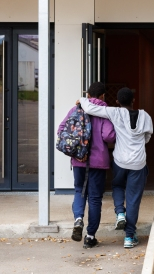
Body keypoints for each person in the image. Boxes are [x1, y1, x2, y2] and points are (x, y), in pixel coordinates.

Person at [79, 87, 153, 249]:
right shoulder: (145, 116)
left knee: (118, 185)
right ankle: (129, 237)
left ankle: (120, 212)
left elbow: (91, 108)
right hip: (138, 163)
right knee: (133, 199)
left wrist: (83, 99)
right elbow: (147, 137)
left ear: (118, 102)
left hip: (120, 161)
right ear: (134, 100)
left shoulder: (115, 112)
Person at [58, 82, 116, 249]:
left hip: (79, 160)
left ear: (88, 95)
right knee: (95, 198)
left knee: (79, 190)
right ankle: (90, 237)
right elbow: (108, 136)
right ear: (103, 96)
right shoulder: (105, 112)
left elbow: (61, 129)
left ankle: (78, 219)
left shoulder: (76, 109)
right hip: (98, 162)